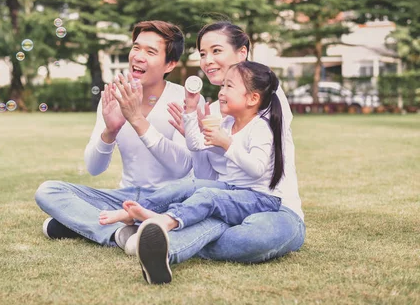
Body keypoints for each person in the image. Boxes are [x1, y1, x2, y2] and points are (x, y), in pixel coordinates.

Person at [111, 21, 305, 284]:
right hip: (227, 201)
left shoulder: (267, 95)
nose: (207, 60)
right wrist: (190, 130)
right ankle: (157, 235)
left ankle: (152, 236)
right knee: (197, 192)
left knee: (252, 238)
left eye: (216, 51)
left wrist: (224, 142)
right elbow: (206, 176)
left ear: (242, 53)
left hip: (274, 207)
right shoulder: (216, 110)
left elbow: (257, 166)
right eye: (202, 53)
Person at [34, 20, 203, 248]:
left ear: (170, 64)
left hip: (171, 199)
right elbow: (94, 168)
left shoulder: (186, 100)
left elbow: (182, 167)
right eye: (136, 47)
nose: (138, 56)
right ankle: (120, 233)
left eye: (150, 51)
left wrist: (137, 120)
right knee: (49, 191)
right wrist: (110, 131)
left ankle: (82, 224)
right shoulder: (114, 98)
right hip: (126, 198)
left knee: (58, 222)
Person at [100, 61, 285, 240]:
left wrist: (227, 144)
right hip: (232, 189)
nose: (221, 92)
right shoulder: (228, 124)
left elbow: (257, 169)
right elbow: (196, 145)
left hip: (260, 199)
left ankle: (167, 221)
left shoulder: (260, 127)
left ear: (253, 98)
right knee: (187, 185)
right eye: (222, 86)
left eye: (229, 86)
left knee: (208, 196)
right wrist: (190, 108)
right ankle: (131, 213)